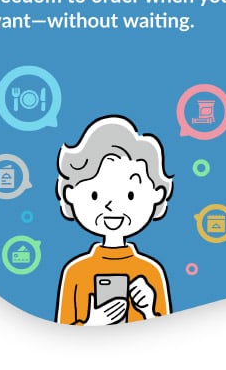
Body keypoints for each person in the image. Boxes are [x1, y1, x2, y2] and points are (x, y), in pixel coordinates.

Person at [54, 114, 175, 325]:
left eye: (130, 195)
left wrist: (147, 311)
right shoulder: (75, 272)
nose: (112, 207)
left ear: (156, 194)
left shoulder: (150, 272)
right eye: (95, 195)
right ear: (70, 194)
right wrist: (92, 324)